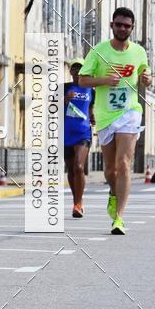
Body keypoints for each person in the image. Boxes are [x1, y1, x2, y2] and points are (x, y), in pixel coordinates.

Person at [78, 7, 152, 235]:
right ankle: (114, 193)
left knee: (123, 164)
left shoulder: (139, 52)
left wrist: (146, 79)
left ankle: (119, 218)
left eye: (127, 26)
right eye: (119, 24)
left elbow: (144, 75)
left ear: (132, 28)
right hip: (105, 114)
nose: (122, 28)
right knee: (111, 170)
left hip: (130, 112)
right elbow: (82, 80)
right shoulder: (99, 52)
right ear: (112, 25)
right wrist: (103, 80)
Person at [63, 58, 95, 218]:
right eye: (74, 68)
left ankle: (79, 203)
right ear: (70, 71)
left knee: (79, 167)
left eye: (80, 68)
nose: (77, 71)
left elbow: (92, 110)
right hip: (65, 133)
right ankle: (75, 201)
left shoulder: (91, 90)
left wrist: (94, 117)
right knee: (71, 169)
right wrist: (65, 100)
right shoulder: (64, 88)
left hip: (83, 133)